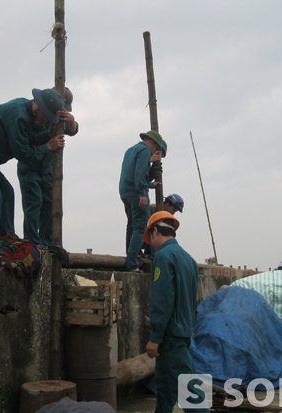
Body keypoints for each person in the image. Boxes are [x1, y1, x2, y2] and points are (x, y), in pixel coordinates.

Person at [0, 88, 65, 268]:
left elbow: (28, 138)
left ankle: (4, 238)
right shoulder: (18, 115)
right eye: (45, 116)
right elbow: (23, 152)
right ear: (37, 106)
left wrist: (46, 135)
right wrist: (48, 146)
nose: (45, 120)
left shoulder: (28, 113)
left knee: (6, 192)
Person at [144, 212, 209, 413]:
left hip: (170, 337)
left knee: (191, 395)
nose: (151, 244)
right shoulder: (188, 259)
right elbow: (190, 299)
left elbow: (162, 301)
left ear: (155, 231)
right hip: (180, 333)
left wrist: (155, 337)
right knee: (164, 389)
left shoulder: (163, 256)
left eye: (150, 238)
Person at [17, 87, 78, 246]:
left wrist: (70, 120)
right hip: (30, 166)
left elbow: (73, 130)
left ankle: (45, 241)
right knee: (33, 204)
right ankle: (31, 242)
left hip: (47, 170)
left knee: (49, 206)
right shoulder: (36, 113)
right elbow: (31, 139)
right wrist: (49, 136)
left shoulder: (59, 118)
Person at [119, 130, 163, 271]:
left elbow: (133, 172)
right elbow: (139, 174)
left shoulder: (130, 150)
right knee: (141, 227)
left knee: (132, 225)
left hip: (125, 192)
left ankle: (138, 254)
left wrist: (150, 184)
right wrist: (142, 193)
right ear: (152, 142)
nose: (154, 151)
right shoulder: (144, 150)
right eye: (155, 148)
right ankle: (131, 263)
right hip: (137, 193)